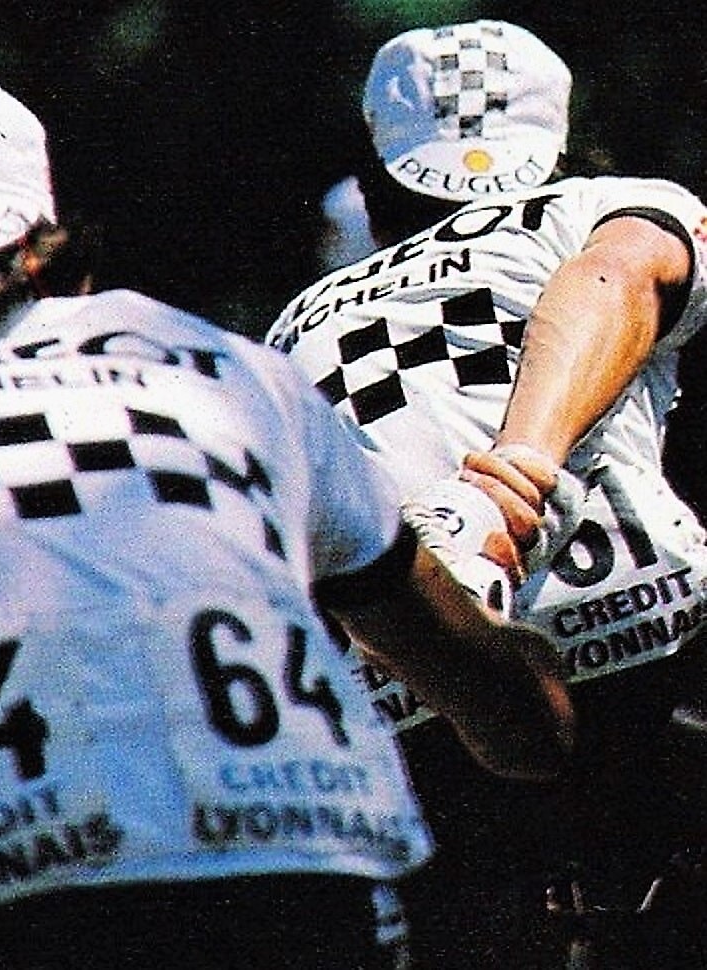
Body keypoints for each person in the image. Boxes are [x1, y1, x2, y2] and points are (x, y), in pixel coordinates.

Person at [0, 71, 576, 970]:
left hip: (13, 883)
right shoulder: (232, 369)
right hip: (311, 857)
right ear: (51, 252)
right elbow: (510, 716)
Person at [267, 20, 707, 968]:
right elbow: (615, 277)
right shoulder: (601, 204)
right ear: (558, 142)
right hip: (651, 638)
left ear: (373, 189)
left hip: (420, 700)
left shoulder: (294, 323)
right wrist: (516, 475)